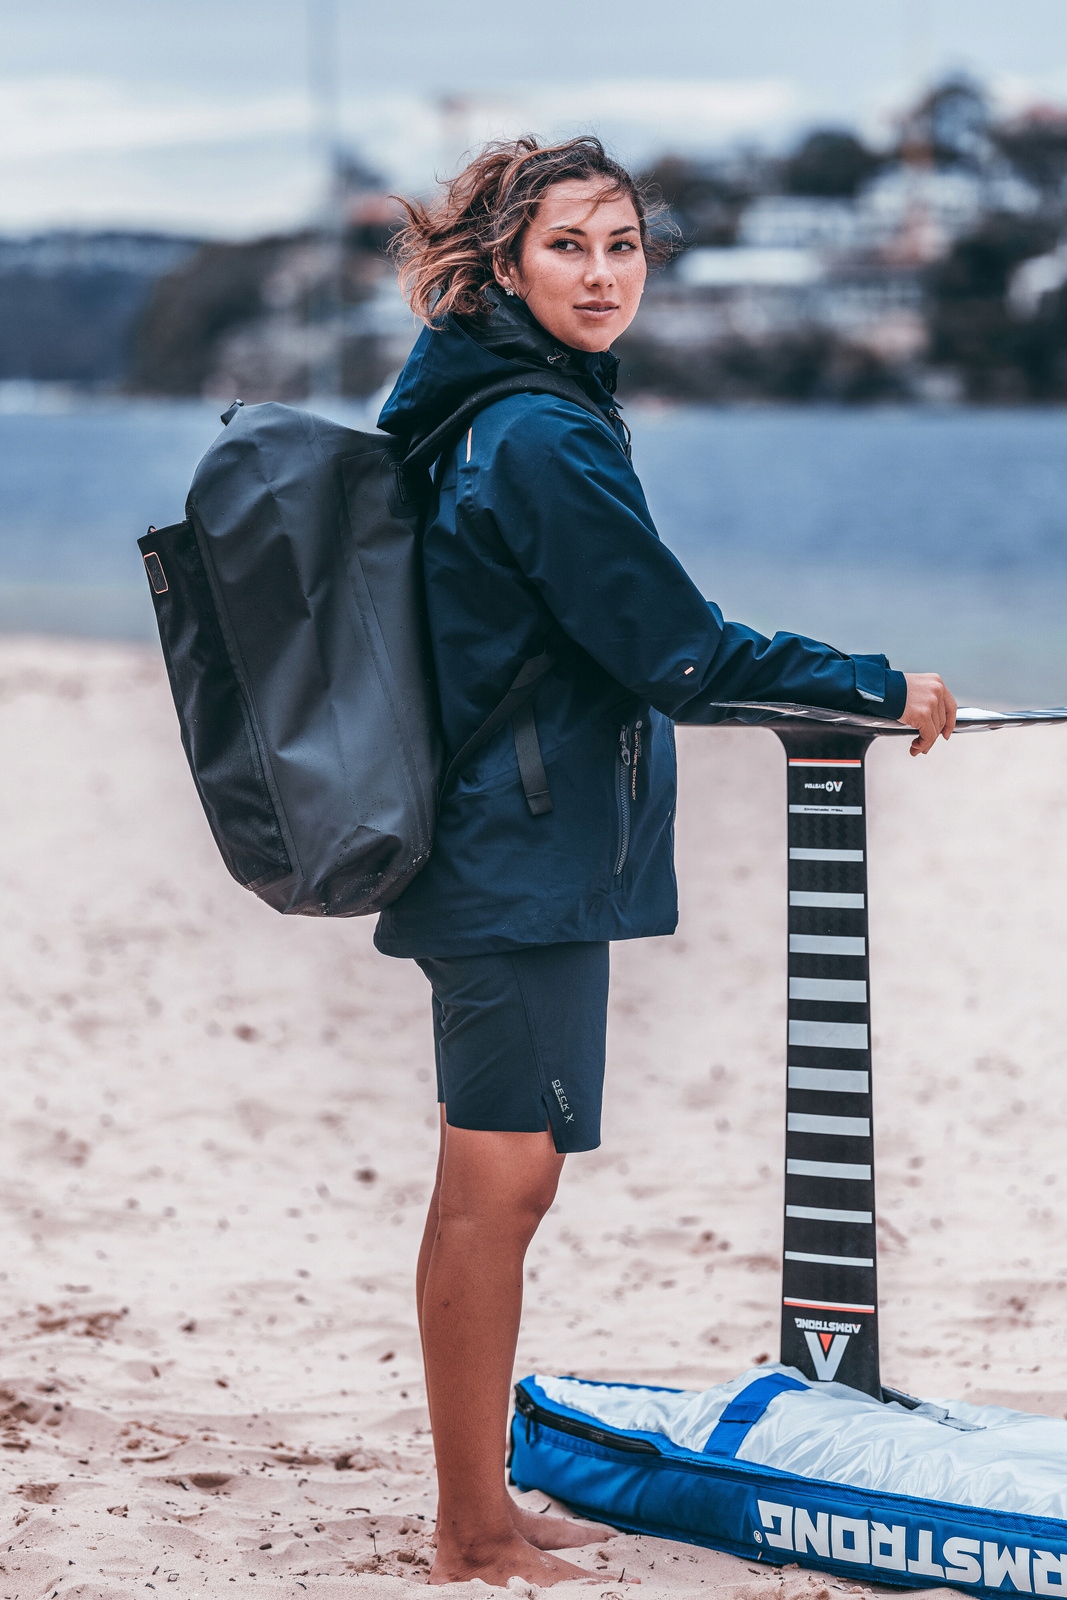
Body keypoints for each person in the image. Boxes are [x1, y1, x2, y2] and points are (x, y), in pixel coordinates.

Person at [375, 135, 957, 1588]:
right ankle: (471, 1530)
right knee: (498, 1189)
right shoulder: (538, 433)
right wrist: (873, 684)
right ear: (506, 264)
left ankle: (478, 1508)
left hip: (503, 838)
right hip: (515, 852)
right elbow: (676, 649)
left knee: (491, 1181)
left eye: (623, 245)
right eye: (568, 246)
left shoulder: (492, 412)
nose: (603, 274)